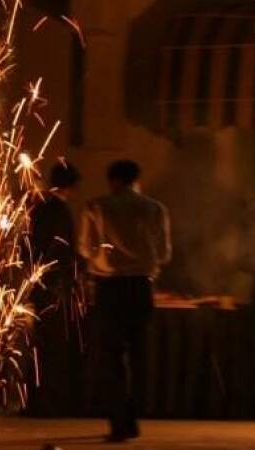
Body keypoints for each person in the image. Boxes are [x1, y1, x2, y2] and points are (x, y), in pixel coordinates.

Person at [77, 160, 170, 442]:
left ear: (112, 180)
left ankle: (121, 421)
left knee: (111, 358)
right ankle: (136, 415)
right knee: (140, 356)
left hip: (110, 288)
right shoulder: (155, 208)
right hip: (141, 287)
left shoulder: (96, 206)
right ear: (136, 180)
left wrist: (104, 258)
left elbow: (85, 247)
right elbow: (163, 253)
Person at [25, 161, 82, 417]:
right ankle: (48, 401)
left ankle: (36, 399)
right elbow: (63, 249)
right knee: (53, 346)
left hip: (38, 281)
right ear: (71, 186)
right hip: (53, 285)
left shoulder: (39, 207)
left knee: (39, 344)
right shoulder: (60, 210)